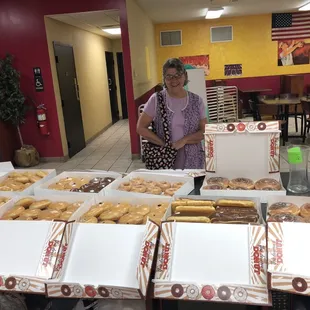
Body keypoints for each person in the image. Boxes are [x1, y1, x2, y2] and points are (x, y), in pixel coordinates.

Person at [137, 58, 206, 169]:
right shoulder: (156, 100)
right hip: (164, 160)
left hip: (193, 160)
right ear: (164, 78)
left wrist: (184, 140)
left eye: (178, 75)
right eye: (169, 76)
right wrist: (164, 144)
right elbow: (141, 128)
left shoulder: (197, 101)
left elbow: (204, 131)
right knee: (166, 185)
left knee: (192, 185)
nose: (174, 80)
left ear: (185, 76)